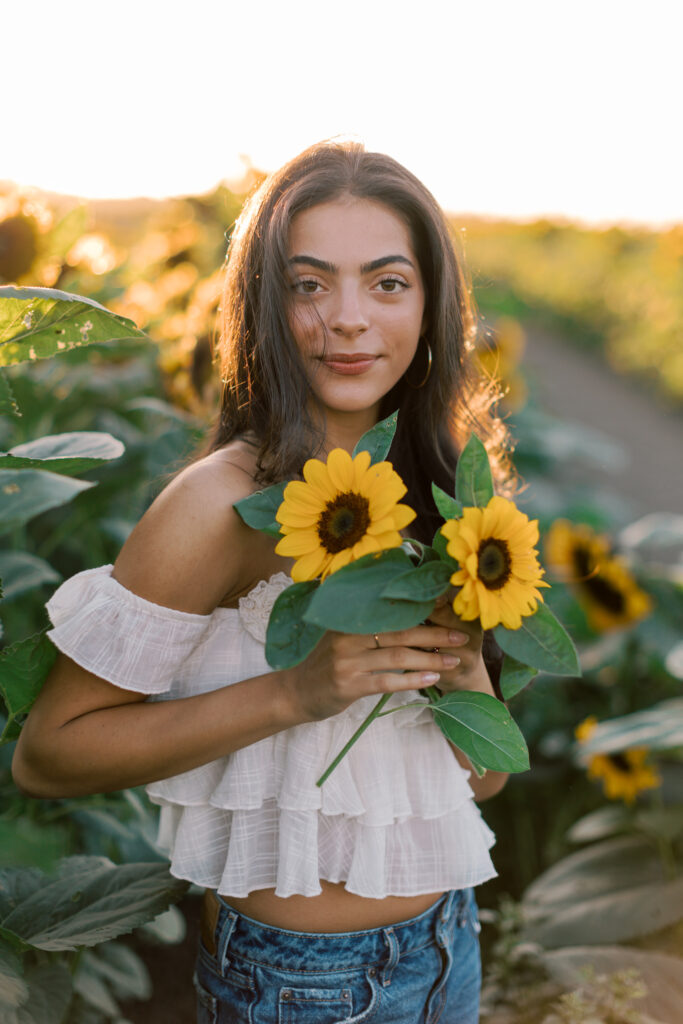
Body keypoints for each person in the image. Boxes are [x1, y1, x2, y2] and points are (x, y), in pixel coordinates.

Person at [13, 140, 514, 1024]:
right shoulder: (217, 506)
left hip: (447, 943)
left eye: (387, 282)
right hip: (304, 986)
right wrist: (296, 692)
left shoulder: (445, 493)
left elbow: (479, 786)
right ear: (262, 303)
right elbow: (50, 755)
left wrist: (463, 673)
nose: (348, 318)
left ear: (432, 304)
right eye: (308, 284)